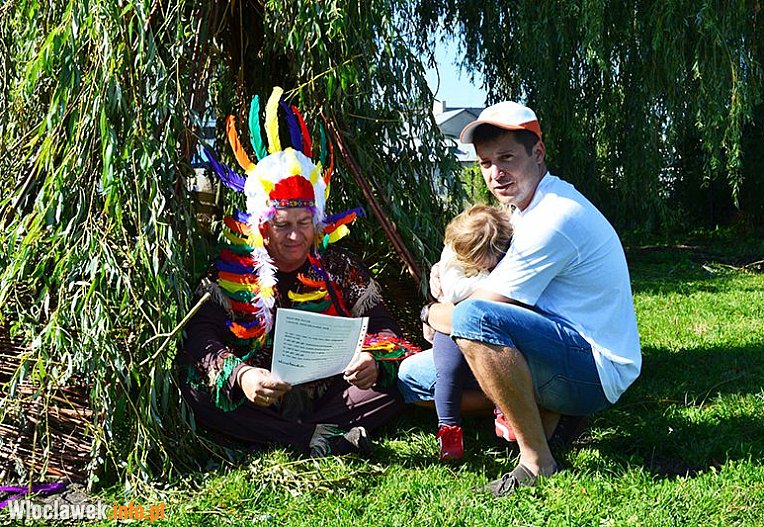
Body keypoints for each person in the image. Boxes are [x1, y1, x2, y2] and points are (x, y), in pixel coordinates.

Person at [399, 100, 641, 495]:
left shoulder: (554, 216)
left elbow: (479, 311)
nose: (495, 173)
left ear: (538, 153)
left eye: (507, 158)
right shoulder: (520, 210)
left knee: (474, 320)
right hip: (549, 346)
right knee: (413, 379)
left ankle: (536, 460)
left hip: (594, 368)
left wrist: (430, 312)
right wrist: (445, 273)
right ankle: (542, 409)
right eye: (485, 163)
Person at [178, 88, 413, 458]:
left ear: (317, 222)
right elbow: (202, 339)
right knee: (198, 390)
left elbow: (383, 323)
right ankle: (321, 437)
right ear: (261, 226)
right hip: (262, 394)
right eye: (282, 224)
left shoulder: (339, 267)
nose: (294, 236)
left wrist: (372, 360)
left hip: (334, 392)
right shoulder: (229, 272)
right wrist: (243, 377)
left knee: (398, 381)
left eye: (304, 222)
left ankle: (302, 435)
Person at [431, 204, 512, 461]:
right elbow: (454, 292)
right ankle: (449, 428)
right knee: (449, 370)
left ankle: (505, 411)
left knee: (502, 360)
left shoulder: (505, 250)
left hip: (489, 322)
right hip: (451, 323)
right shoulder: (454, 253)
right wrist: (493, 282)